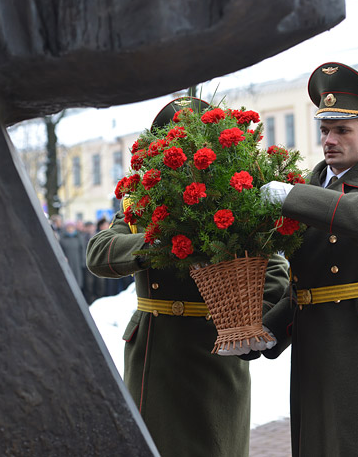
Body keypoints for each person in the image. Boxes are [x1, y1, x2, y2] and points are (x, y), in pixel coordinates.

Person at [86, 97, 290, 457]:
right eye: (176, 144)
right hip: (157, 352)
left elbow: (271, 267)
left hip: (218, 348)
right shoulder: (145, 202)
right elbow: (100, 254)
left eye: (195, 143)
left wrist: (257, 321)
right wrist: (159, 240)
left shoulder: (236, 197)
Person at [256, 62, 358, 456]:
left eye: (342, 130)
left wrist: (291, 197)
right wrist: (265, 332)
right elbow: (305, 287)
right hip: (315, 346)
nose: (330, 139)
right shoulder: (310, 186)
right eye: (325, 130)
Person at [58, 220, 86, 289]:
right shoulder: (62, 239)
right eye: (68, 228)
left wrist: (83, 262)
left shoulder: (79, 238)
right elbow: (60, 250)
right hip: (68, 263)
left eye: (72, 227)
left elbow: (82, 250)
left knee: (78, 280)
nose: (70, 229)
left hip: (77, 263)